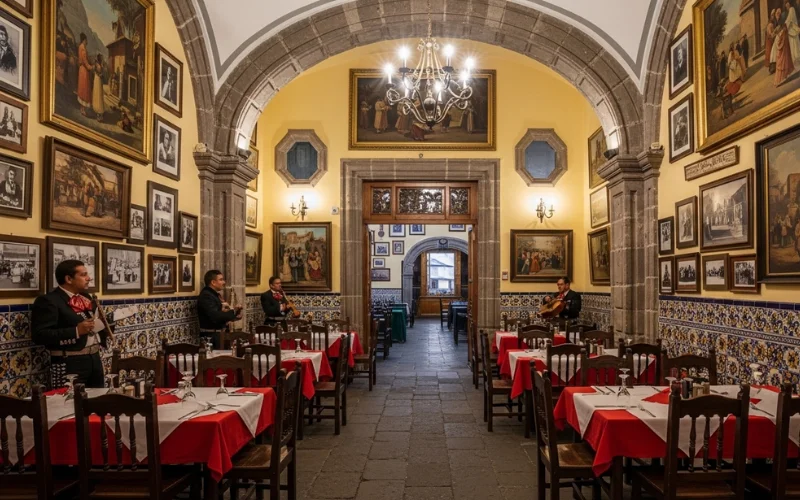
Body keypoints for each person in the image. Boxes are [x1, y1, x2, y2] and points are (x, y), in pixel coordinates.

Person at [31, 260, 113, 388]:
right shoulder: (49, 301)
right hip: (69, 362)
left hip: (94, 359)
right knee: (70, 404)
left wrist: (106, 323)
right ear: (69, 279)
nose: (88, 278)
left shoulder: (86, 297)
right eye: (83, 275)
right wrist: (76, 331)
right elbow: (39, 335)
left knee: (97, 402)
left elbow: (92, 325)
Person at [196, 270, 241, 348]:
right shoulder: (206, 296)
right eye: (221, 280)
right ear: (213, 282)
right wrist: (233, 311)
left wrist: (235, 313)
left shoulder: (213, 294)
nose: (224, 282)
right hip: (211, 337)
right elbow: (215, 316)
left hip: (219, 335)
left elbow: (220, 312)